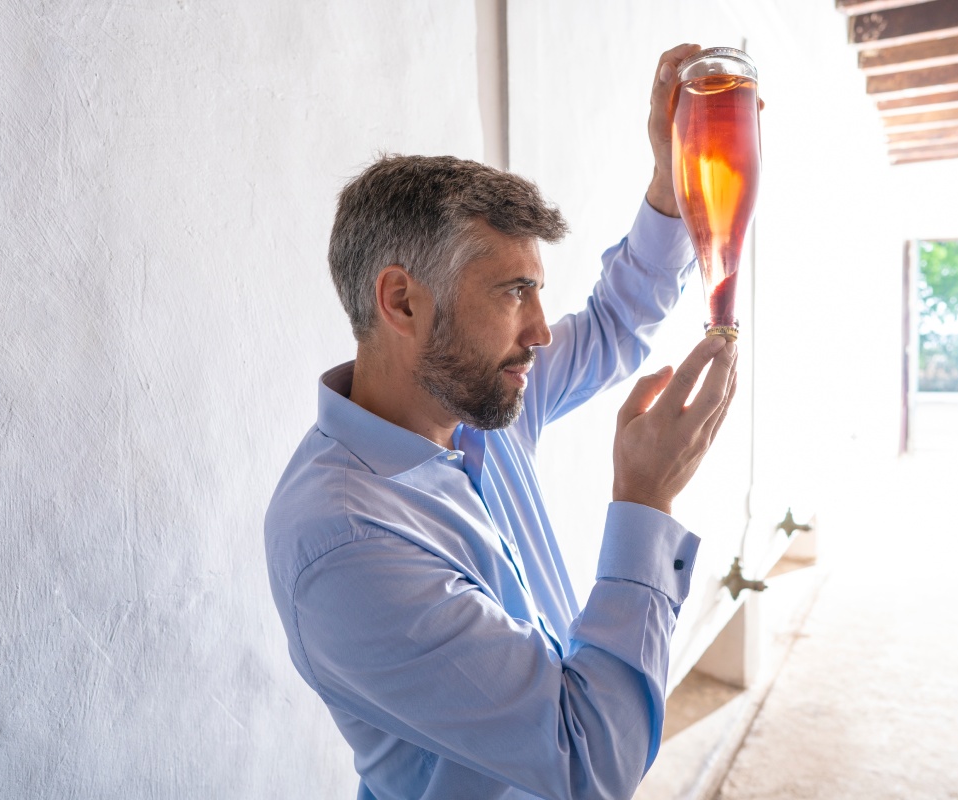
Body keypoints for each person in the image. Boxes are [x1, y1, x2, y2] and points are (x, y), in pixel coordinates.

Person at [265, 43, 738, 800]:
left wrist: (671, 186)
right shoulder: (344, 540)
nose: (542, 331)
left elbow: (617, 323)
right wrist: (645, 503)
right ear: (402, 301)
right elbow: (585, 759)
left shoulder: (479, 409)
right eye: (515, 291)